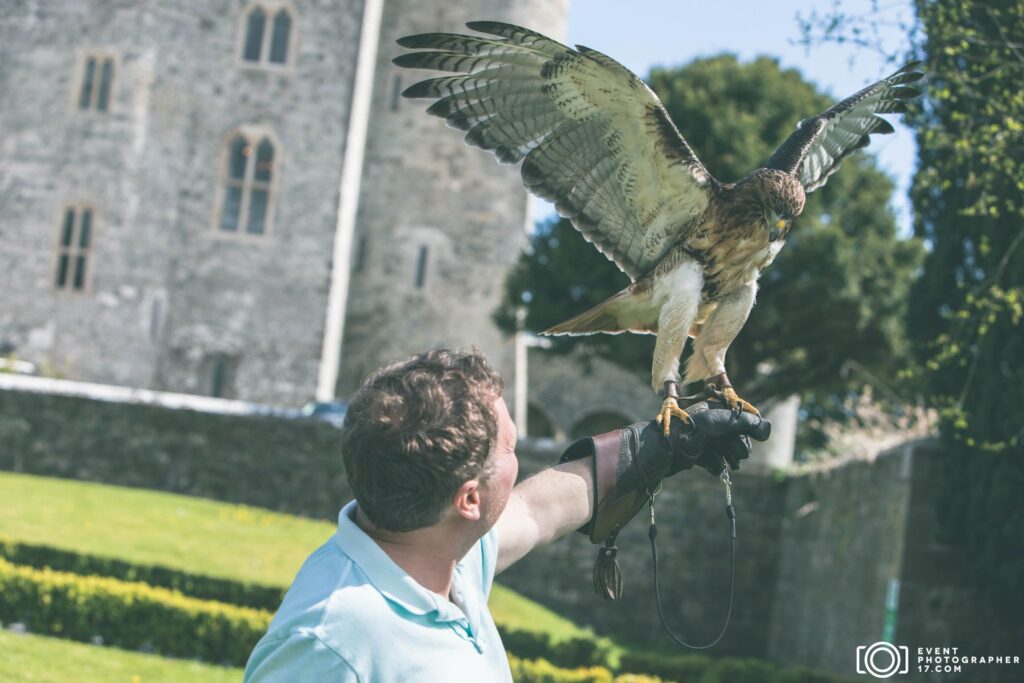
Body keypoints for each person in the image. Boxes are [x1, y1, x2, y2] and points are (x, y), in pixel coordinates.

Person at [243, 349, 769, 682]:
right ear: (469, 500)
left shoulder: (440, 552)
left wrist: (658, 448)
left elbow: (536, 511)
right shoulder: (326, 647)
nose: (520, 461)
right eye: (512, 448)